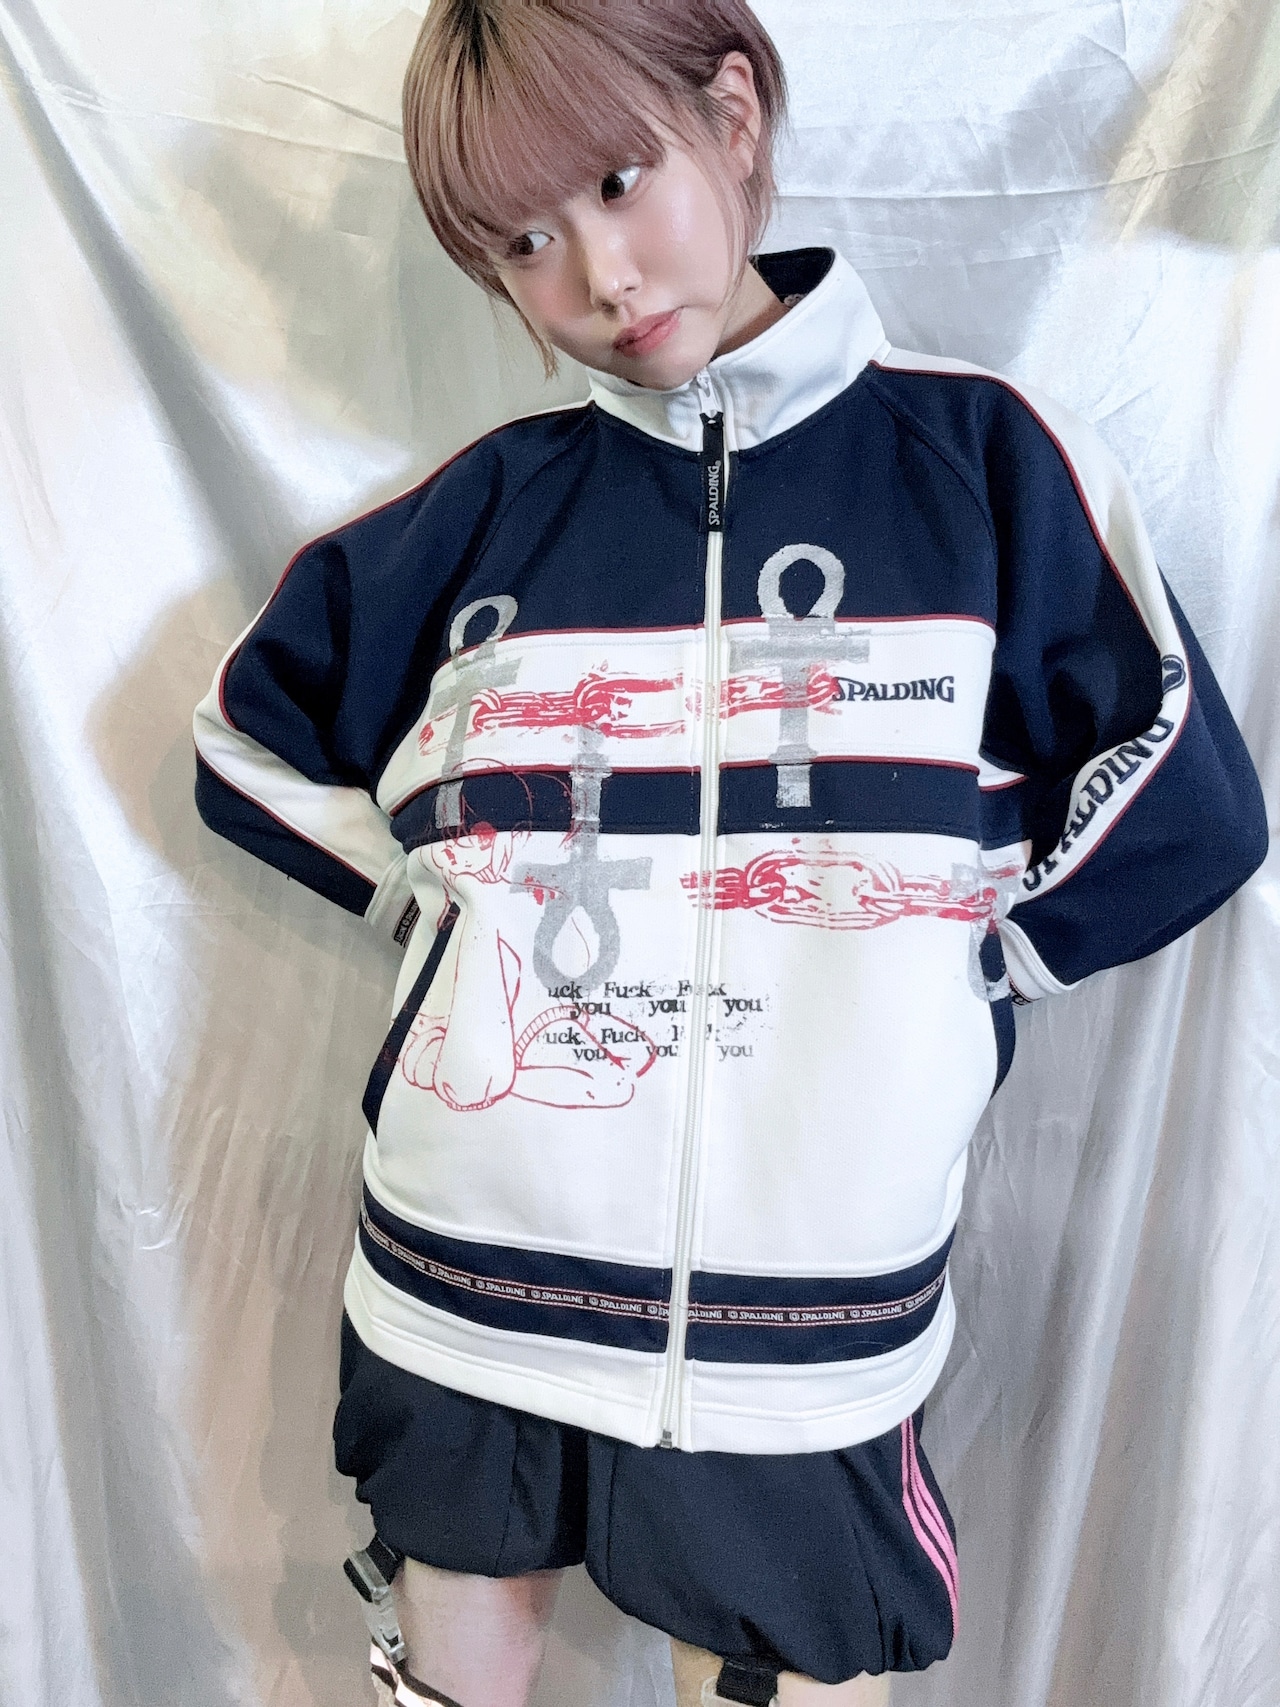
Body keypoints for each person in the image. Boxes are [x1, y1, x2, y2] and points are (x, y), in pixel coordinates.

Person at [191, 2, 1268, 1704]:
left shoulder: (982, 467)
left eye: (620, 182)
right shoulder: (485, 512)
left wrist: (960, 960)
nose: (598, 277)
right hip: (462, 1271)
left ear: (735, 110)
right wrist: (437, 900)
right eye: (524, 243)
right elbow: (242, 735)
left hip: (808, 1318)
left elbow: (1189, 797)